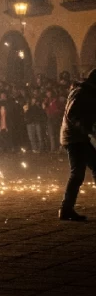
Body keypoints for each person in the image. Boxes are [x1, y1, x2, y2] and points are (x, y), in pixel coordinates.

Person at [59, 69, 96, 221]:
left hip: (78, 137)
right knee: (77, 174)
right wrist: (87, 129)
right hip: (74, 138)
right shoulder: (81, 92)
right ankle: (66, 209)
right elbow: (72, 113)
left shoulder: (87, 92)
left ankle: (66, 209)